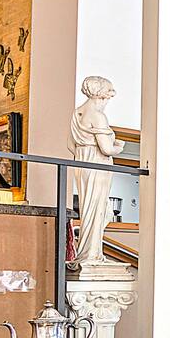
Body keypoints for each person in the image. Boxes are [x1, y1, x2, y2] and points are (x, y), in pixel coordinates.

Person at [69, 76, 124, 265]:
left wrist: (85, 153)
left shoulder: (77, 113)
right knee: (97, 208)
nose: (107, 102)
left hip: (82, 163)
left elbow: (70, 145)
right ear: (100, 95)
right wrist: (118, 147)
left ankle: (87, 253)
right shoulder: (98, 116)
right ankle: (91, 255)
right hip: (98, 165)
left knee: (88, 208)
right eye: (107, 97)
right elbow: (107, 149)